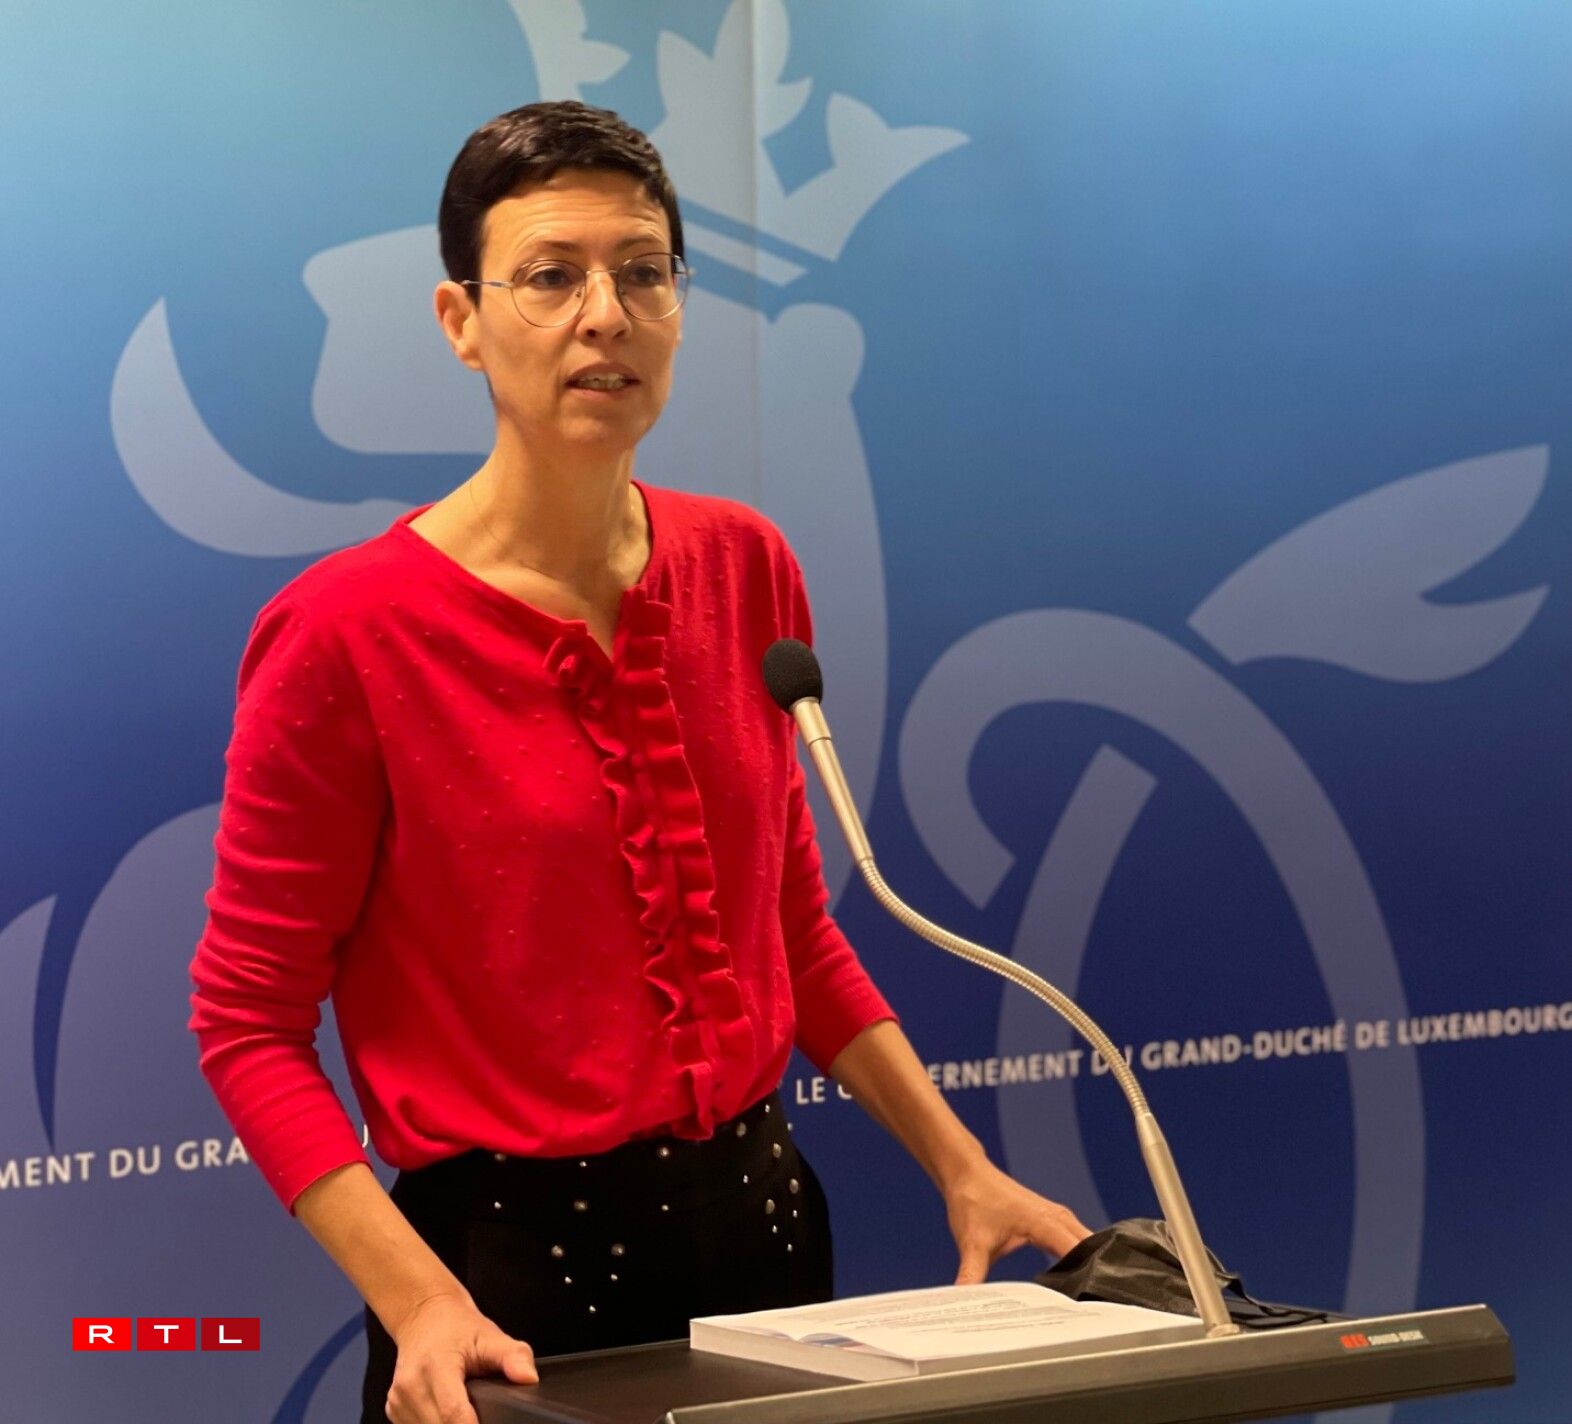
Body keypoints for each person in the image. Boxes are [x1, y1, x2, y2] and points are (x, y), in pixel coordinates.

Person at [188, 101, 1091, 1424]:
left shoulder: (747, 564)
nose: (604, 315)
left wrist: (961, 1166)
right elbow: (247, 1025)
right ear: (461, 321)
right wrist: (417, 1298)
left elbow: (791, 932)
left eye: (643, 273)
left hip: (769, 1252)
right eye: (551, 276)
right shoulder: (347, 632)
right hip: (500, 1297)